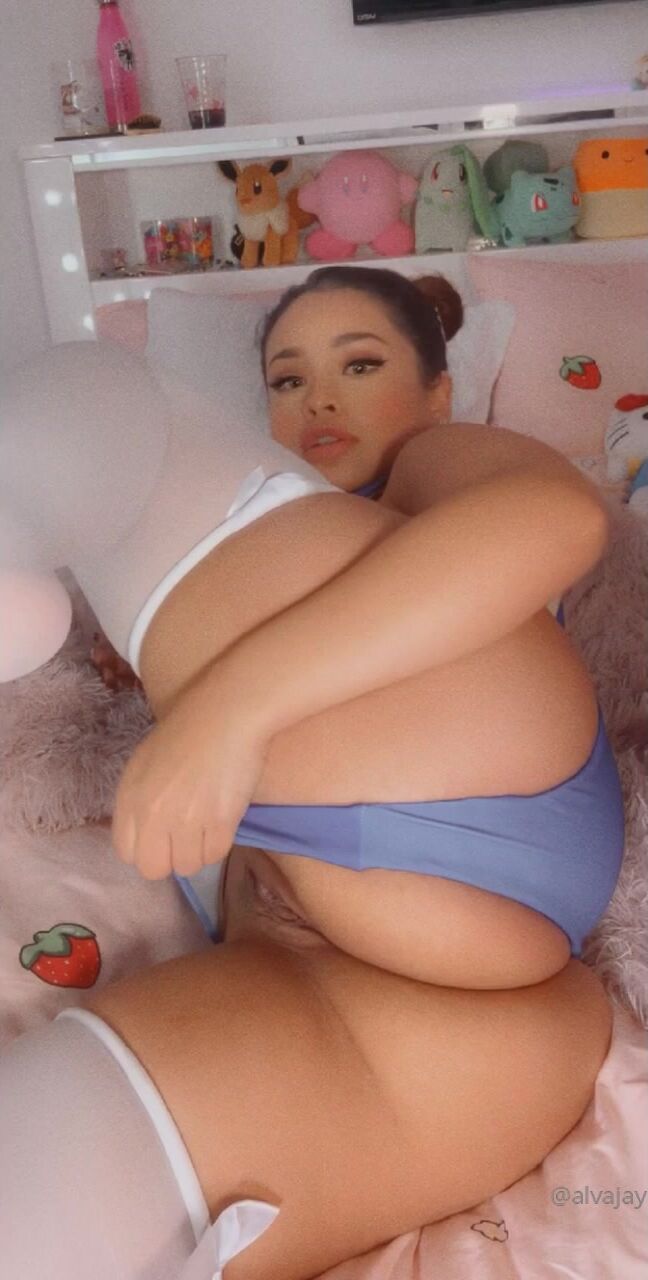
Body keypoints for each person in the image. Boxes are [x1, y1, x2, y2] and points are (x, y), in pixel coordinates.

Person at [0, 267, 623, 1280]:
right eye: (287, 381)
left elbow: (560, 522)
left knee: (106, 398)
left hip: (481, 803)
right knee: (48, 1188)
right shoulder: (269, 548)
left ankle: (16, 511)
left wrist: (227, 710)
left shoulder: (430, 461)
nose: (319, 400)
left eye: (359, 365)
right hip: (448, 995)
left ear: (437, 392)